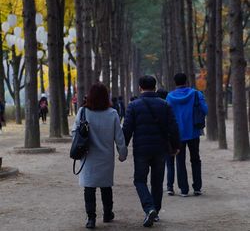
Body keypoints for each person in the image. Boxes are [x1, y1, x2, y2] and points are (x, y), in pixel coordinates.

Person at [122, 75, 180, 227]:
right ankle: (155, 212)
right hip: (160, 149)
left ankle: (149, 208)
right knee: (157, 181)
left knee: (140, 180)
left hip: (141, 149)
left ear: (140, 87)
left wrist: (122, 148)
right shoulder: (165, 105)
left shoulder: (133, 105)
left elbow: (127, 129)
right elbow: (173, 128)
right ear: (154, 87)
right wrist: (175, 146)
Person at [72, 83, 127, 229]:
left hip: (88, 156)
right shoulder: (112, 113)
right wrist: (123, 153)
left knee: (89, 188)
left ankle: (91, 219)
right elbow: (119, 137)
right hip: (106, 157)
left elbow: (74, 132)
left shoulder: (83, 111)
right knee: (106, 186)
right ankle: (108, 214)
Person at [166, 73, 208, 197]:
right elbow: (205, 110)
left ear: (175, 82)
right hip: (194, 132)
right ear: (187, 81)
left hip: (177, 134)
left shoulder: (170, 96)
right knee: (195, 159)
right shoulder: (196, 94)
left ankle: (184, 190)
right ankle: (197, 188)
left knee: (180, 161)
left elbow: (167, 114)